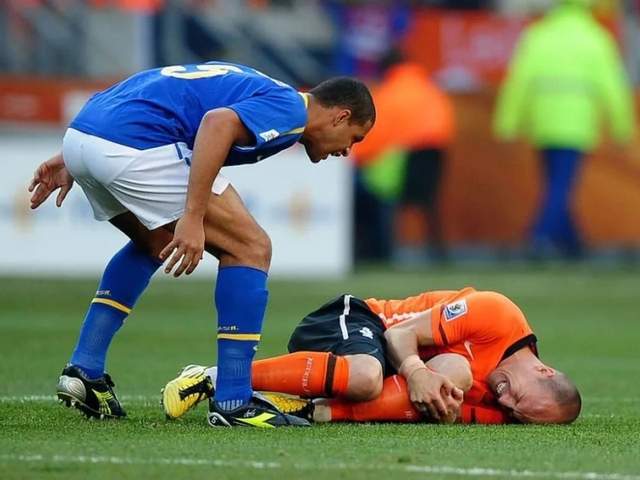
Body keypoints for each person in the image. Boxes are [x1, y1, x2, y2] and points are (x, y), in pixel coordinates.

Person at [28, 60, 374, 428]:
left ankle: (85, 369)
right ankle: (234, 400)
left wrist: (78, 152)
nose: (347, 151)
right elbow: (217, 123)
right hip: (132, 145)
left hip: (87, 133)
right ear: (340, 116)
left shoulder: (261, 85)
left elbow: (161, 86)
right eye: (355, 138)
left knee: (155, 242)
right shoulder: (292, 109)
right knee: (251, 247)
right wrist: (192, 216)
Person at [162, 287, 581, 425]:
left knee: (454, 377)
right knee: (367, 376)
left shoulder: (502, 403)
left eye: (517, 414)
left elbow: (440, 408)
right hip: (360, 320)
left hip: (372, 369)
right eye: (519, 399)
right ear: (545, 371)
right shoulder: (498, 313)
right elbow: (400, 334)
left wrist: (436, 398)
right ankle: (214, 376)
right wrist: (416, 371)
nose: (506, 403)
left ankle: (307, 410)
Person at [494, 0, 635, 259]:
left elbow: (518, 82)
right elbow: (613, 87)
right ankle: (539, 238)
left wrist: (507, 124)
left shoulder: (539, 35)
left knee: (557, 185)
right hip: (577, 124)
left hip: (543, 123)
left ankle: (572, 243)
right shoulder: (596, 38)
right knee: (560, 186)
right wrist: (621, 128)